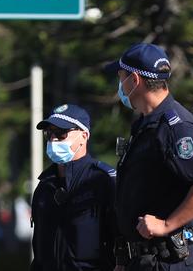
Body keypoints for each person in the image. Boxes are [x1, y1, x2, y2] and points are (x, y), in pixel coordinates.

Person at [105, 43, 193, 271]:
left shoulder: (175, 127)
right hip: (144, 260)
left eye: (121, 77)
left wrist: (167, 224)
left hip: (169, 260)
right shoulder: (145, 123)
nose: (119, 85)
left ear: (135, 80)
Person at [30, 103, 117, 270]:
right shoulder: (44, 186)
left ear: (84, 136)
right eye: (49, 134)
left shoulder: (102, 181)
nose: (53, 139)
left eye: (61, 133)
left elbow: (120, 238)